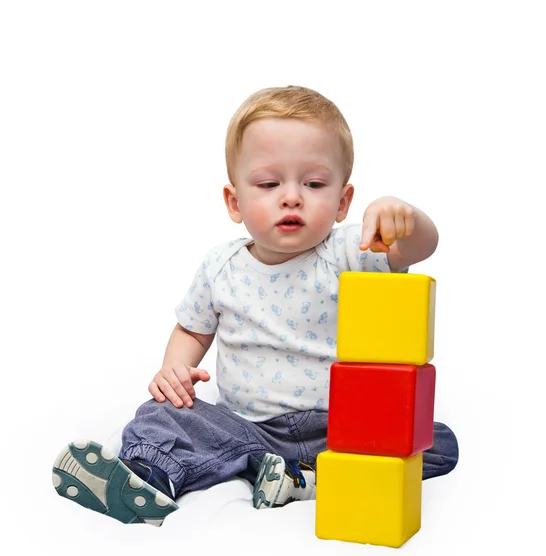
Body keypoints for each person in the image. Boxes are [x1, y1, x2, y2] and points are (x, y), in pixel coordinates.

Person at [52, 85, 459, 526]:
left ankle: (302, 480)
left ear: (343, 202)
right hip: (247, 425)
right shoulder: (221, 267)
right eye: (269, 183)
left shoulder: (350, 250)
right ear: (235, 202)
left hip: (339, 426)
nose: (291, 196)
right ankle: (146, 479)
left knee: (435, 441)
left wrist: (405, 220)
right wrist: (174, 369)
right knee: (162, 416)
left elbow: (418, 248)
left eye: (315, 183)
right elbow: (193, 329)